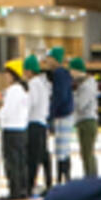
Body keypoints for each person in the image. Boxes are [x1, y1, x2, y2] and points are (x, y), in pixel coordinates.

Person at [0, 63, 31, 200]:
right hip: (22, 129)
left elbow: (7, 111)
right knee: (21, 160)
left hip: (11, 129)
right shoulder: (24, 90)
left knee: (12, 161)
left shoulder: (13, 91)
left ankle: (14, 190)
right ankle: (22, 189)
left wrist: (0, 113)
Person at [22, 54, 52, 195]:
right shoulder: (43, 83)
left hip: (33, 123)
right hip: (42, 122)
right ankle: (49, 182)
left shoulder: (33, 84)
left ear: (28, 71)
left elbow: (30, 103)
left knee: (33, 157)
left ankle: (29, 185)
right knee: (43, 155)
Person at [45, 46, 75, 185]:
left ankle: (61, 180)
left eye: (49, 58)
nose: (47, 61)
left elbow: (60, 96)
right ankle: (65, 178)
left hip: (62, 115)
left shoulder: (59, 74)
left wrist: (51, 113)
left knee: (61, 150)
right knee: (64, 149)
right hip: (66, 114)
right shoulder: (64, 73)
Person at [72, 57, 101, 176]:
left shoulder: (87, 86)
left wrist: (72, 96)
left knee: (88, 153)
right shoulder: (84, 84)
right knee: (85, 153)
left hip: (87, 122)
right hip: (84, 121)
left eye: (72, 70)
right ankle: (89, 176)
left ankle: (91, 177)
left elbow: (80, 105)